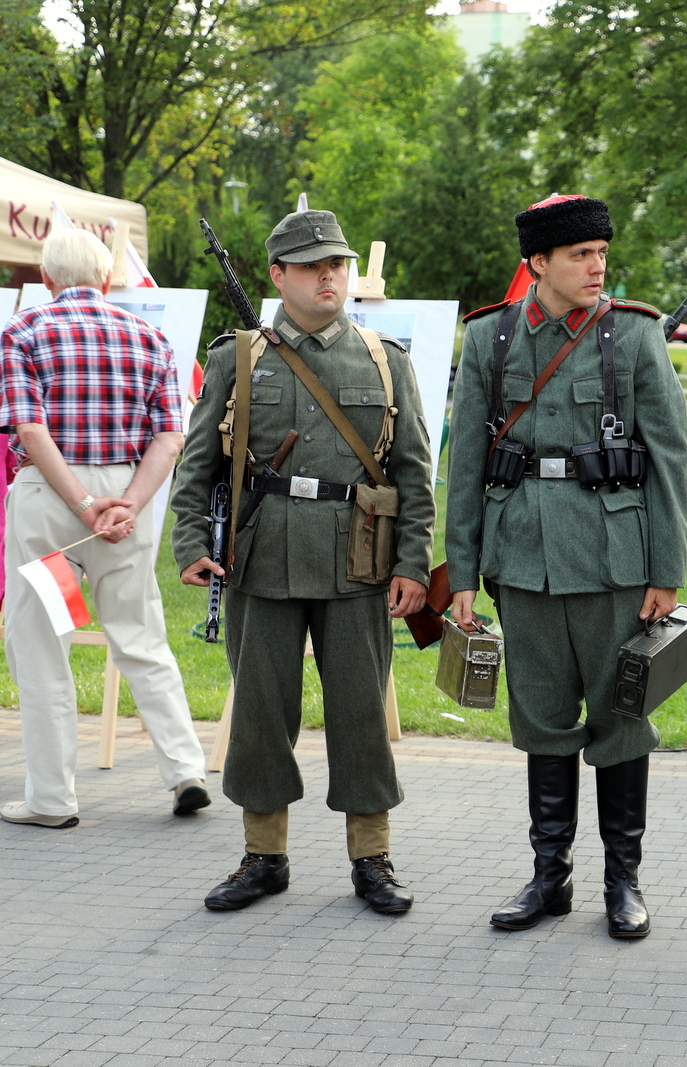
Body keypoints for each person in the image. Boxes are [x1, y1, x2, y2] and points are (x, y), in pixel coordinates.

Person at [169, 210, 434, 914]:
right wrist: (192, 544)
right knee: (258, 716)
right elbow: (197, 463)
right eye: (314, 265)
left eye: (338, 264)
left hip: (358, 561)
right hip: (263, 556)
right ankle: (263, 855)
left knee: (361, 716)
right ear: (278, 275)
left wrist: (413, 562)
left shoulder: (385, 359)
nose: (330, 276)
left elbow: (413, 474)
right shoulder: (238, 356)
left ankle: (371, 856)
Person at [446, 194, 687, 938]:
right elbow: (465, 466)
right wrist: (460, 575)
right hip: (522, 561)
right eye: (581, 254)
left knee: (621, 722)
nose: (597, 266)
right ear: (538, 264)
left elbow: (669, 460)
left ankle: (623, 880)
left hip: (614, 560)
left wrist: (665, 570)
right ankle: (549, 876)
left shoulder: (635, 337)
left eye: (602, 253)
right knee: (542, 722)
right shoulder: (490, 339)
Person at [0, 228, 209, 830]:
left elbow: (31, 434)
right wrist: (126, 504)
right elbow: (172, 436)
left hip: (51, 502)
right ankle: (185, 771)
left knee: (44, 643)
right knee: (139, 636)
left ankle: (52, 798)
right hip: (126, 501)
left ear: (46, 279)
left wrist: (84, 504)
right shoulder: (149, 337)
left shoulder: (22, 332)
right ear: (109, 278)